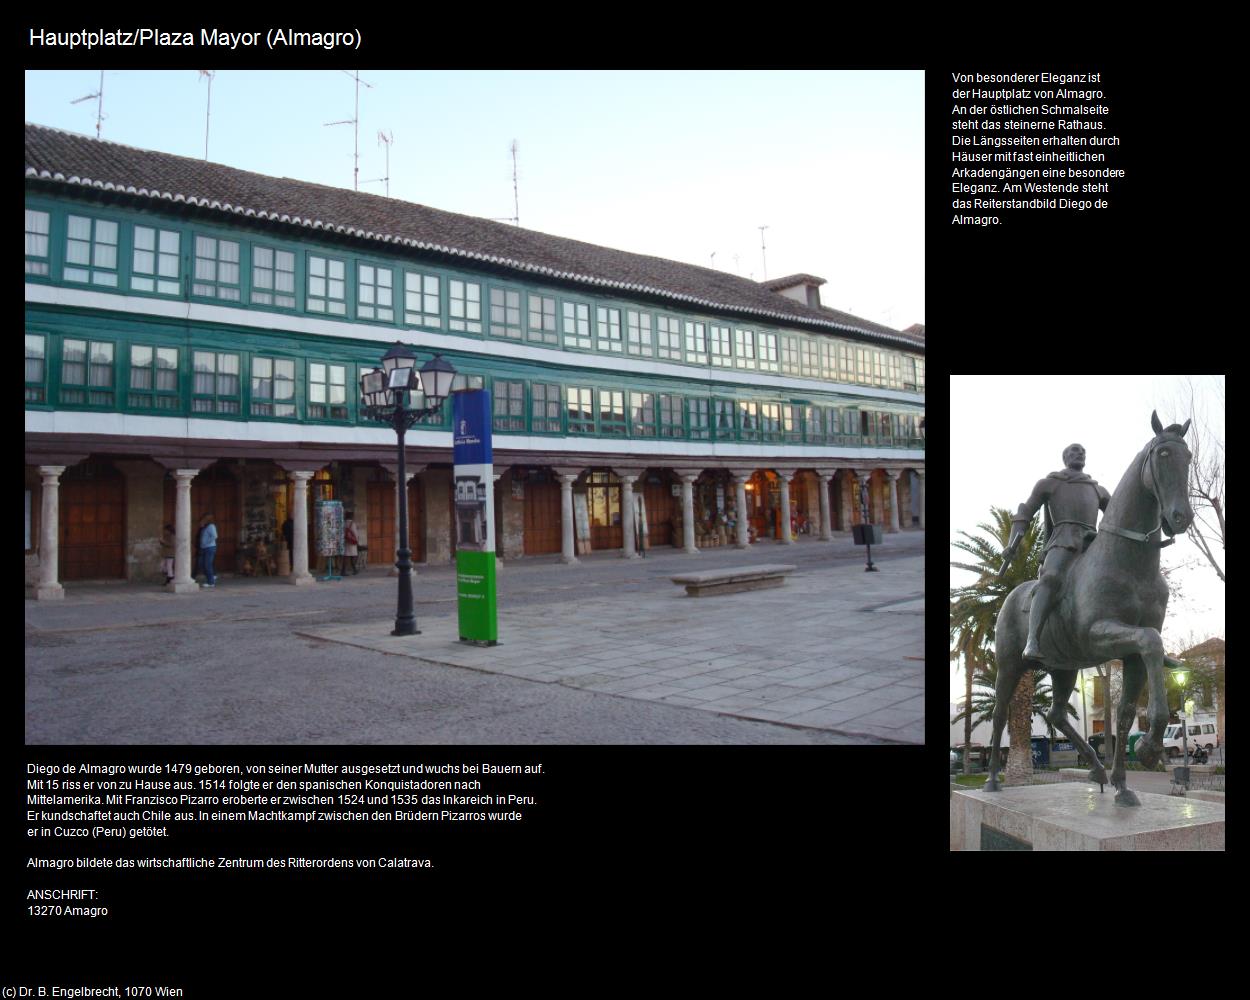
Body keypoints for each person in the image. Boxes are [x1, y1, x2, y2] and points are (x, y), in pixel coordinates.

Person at [1001, 443, 1111, 660]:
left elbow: (1119, 515)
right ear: (1065, 458)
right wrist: (1011, 542)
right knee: (1050, 578)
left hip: (1093, 544)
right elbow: (1024, 513)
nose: (1079, 453)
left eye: (1082, 451)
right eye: (1073, 451)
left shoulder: (1098, 489)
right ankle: (1033, 639)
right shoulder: (1049, 484)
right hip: (1063, 541)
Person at [198, 512, 218, 588]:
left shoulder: (211, 526)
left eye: (204, 519)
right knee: (201, 563)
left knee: (207, 564)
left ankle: (211, 582)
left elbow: (214, 536)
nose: (202, 521)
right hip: (203, 548)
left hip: (209, 548)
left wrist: (206, 543)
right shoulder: (204, 528)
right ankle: (212, 576)